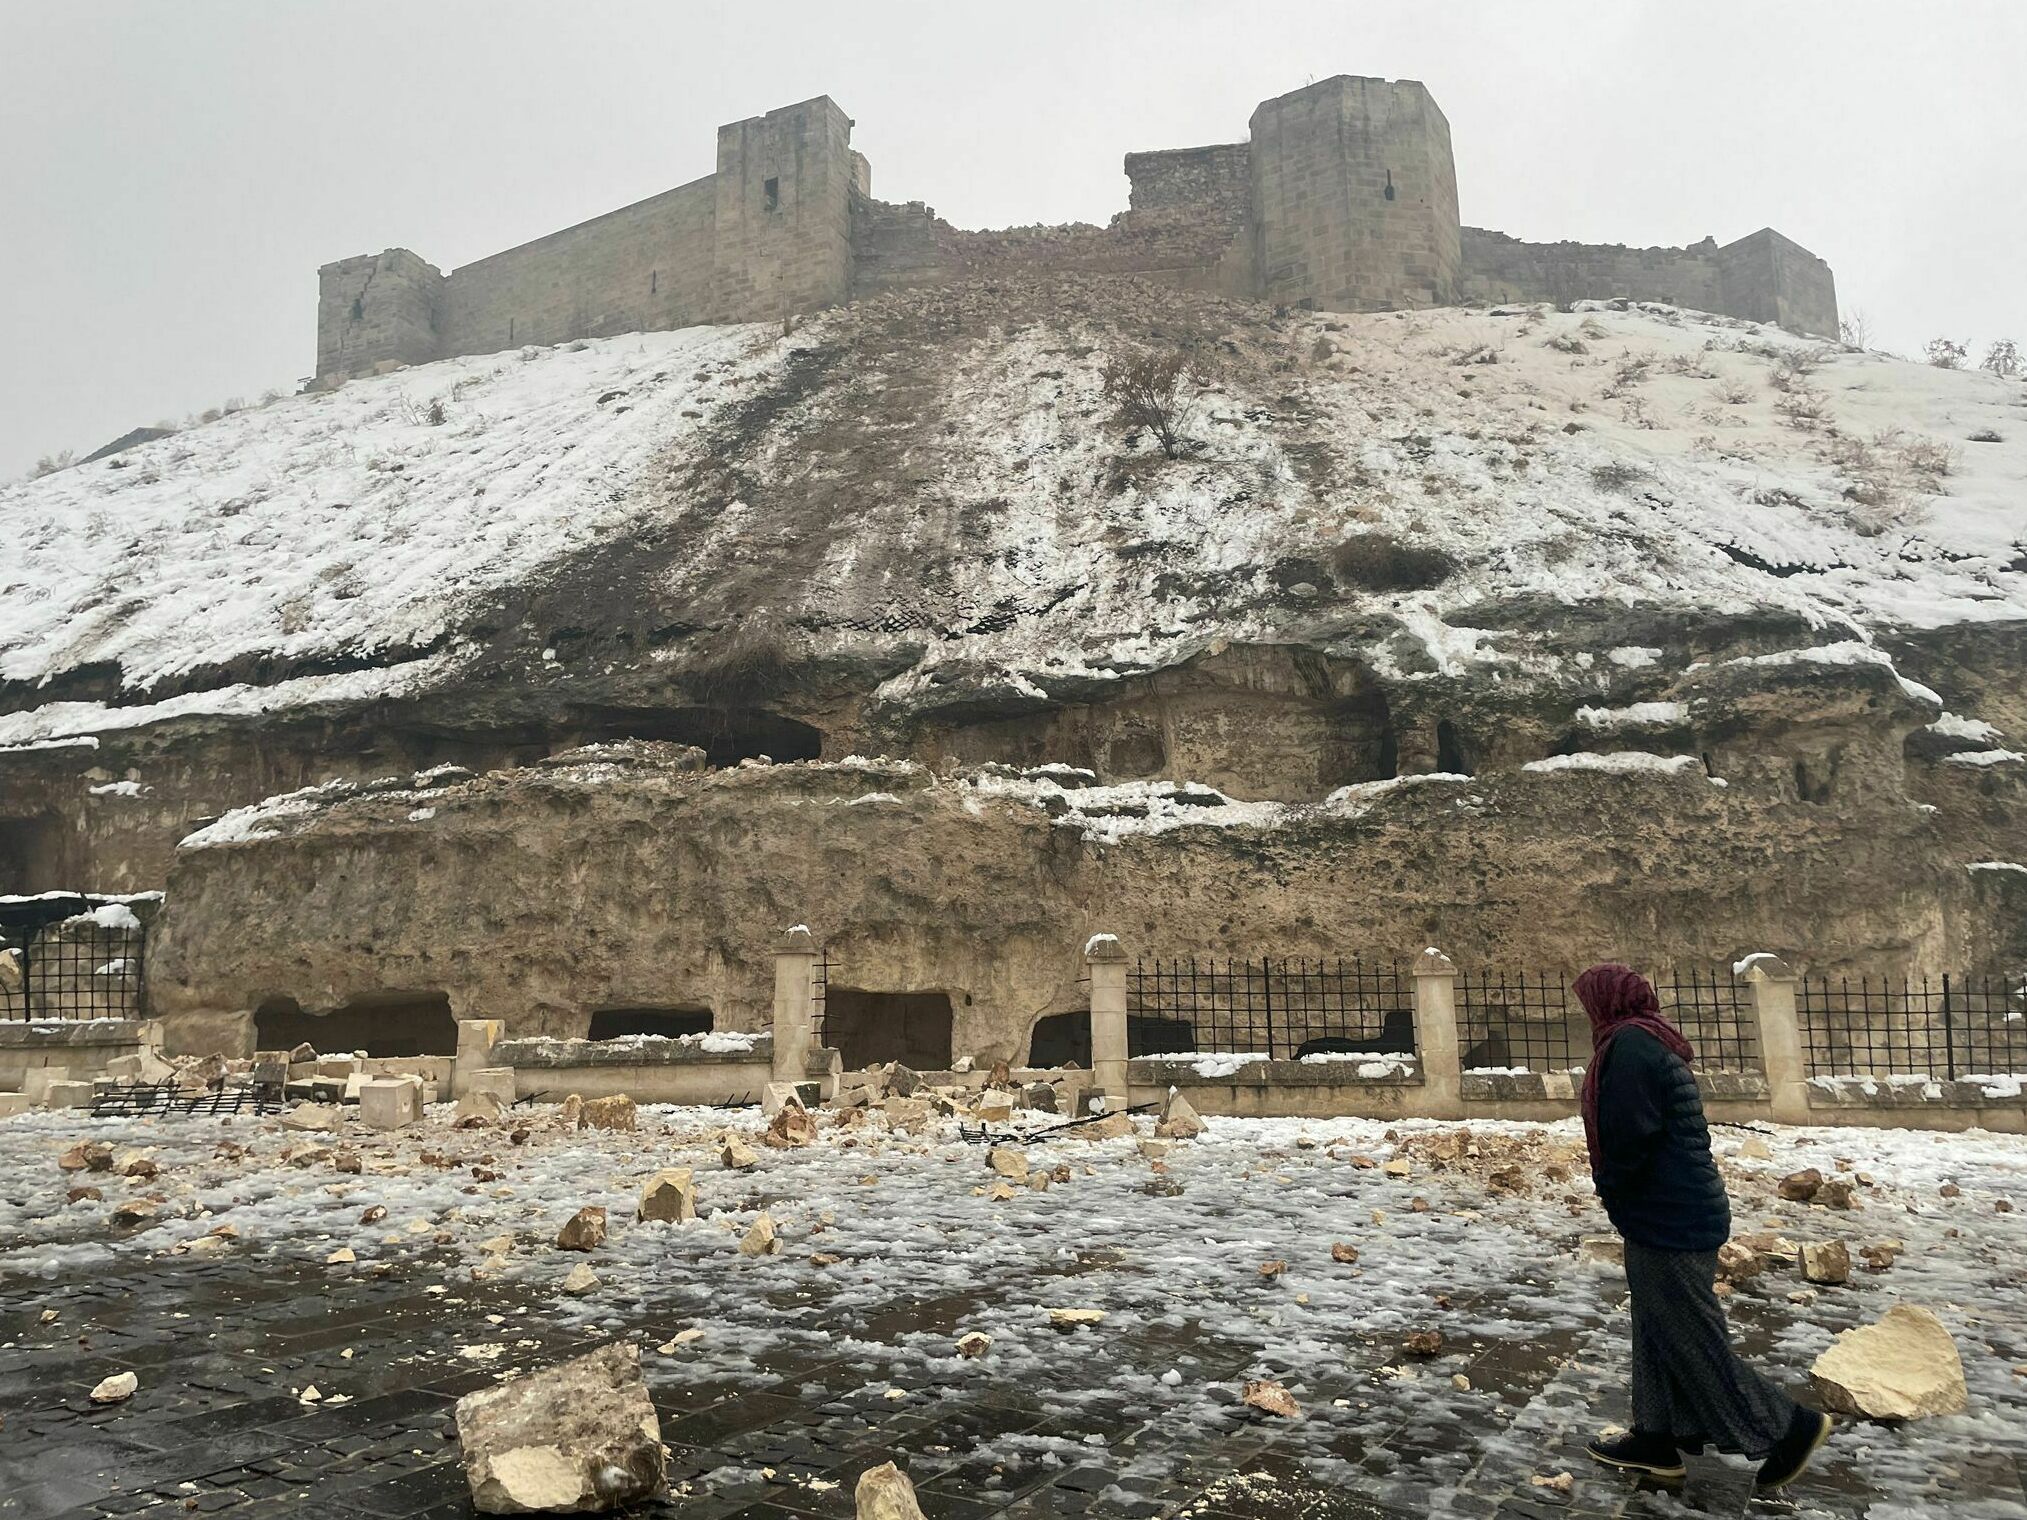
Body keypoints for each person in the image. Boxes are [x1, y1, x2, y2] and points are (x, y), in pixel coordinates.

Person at [1574, 962, 1833, 1493]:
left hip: (1667, 1213)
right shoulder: (1648, 1038)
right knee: (1657, 1327)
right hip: (1677, 1207)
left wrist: (1612, 1188)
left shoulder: (1630, 1046)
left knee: (1691, 1338)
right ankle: (1655, 1437)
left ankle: (1789, 1427)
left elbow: (1630, 1135)